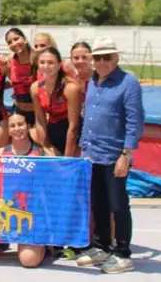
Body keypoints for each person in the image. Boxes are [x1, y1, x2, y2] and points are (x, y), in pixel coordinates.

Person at [76, 37, 143, 274]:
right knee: (98, 203)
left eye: (107, 57)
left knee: (118, 204)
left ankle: (123, 252)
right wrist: (84, 149)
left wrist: (126, 154)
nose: (102, 62)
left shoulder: (128, 82)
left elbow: (135, 121)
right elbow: (89, 118)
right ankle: (101, 246)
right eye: (97, 58)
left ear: (116, 58)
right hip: (92, 153)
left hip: (114, 154)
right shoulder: (93, 82)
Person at [0, 113, 49, 266]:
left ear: (28, 127)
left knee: (28, 261)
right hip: (5, 215)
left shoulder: (40, 155)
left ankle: (45, 246)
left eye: (20, 124)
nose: (17, 128)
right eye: (12, 125)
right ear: (8, 130)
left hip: (30, 217)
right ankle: (0, 242)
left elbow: (65, 167)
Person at [31, 47, 82, 157]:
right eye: (42, 62)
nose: (46, 66)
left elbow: (73, 126)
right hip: (53, 130)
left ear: (59, 65)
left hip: (72, 134)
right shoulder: (35, 88)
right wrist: (47, 147)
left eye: (50, 63)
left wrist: (67, 158)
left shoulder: (70, 88)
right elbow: (40, 120)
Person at [4, 28, 37, 128]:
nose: (14, 43)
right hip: (18, 111)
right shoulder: (10, 60)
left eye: (16, 39)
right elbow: (14, 82)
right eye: (10, 42)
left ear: (25, 39)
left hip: (37, 112)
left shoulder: (37, 58)